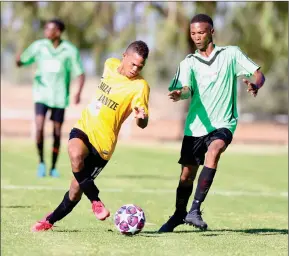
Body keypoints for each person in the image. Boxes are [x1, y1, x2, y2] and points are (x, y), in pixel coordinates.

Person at [159, 14, 265, 232]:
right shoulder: (188, 62)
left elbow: (258, 74)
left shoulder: (231, 54)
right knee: (187, 175)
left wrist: (256, 85)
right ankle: (180, 214)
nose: (197, 37)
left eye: (201, 32)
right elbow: (186, 88)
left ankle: (195, 210)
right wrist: (180, 94)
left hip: (223, 123)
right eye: (193, 33)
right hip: (195, 126)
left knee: (214, 150)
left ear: (211, 32)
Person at [31, 40, 150, 232]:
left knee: (75, 191)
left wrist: (140, 117)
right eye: (133, 63)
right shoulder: (110, 64)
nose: (135, 69)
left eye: (140, 66)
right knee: (75, 154)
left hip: (103, 144)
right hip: (84, 127)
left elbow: (142, 123)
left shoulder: (140, 87)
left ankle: (50, 220)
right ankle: (95, 201)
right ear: (124, 56)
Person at [16, 19, 85, 178]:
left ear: (58, 32)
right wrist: (18, 58)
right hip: (41, 95)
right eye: (45, 28)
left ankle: (53, 167)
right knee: (39, 127)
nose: (46, 31)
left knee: (56, 133)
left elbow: (80, 73)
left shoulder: (69, 50)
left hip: (60, 97)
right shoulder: (39, 46)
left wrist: (78, 92)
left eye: (50, 29)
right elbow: (21, 62)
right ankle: (41, 162)